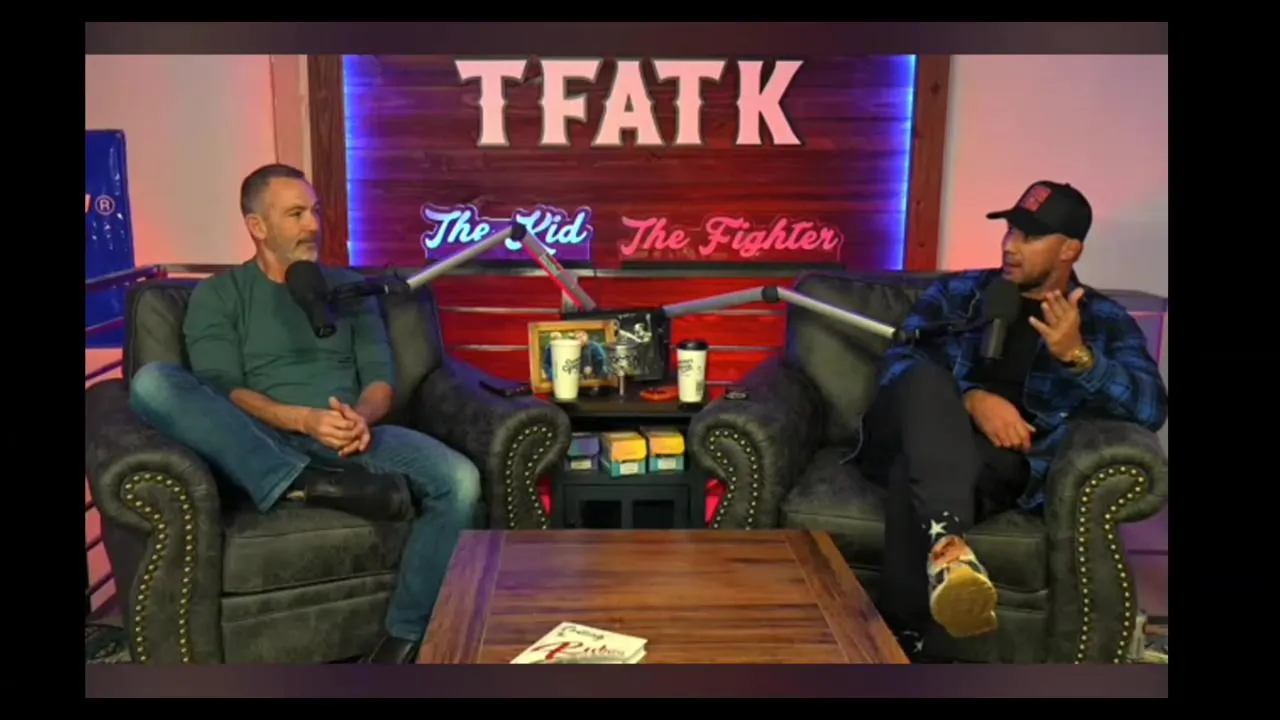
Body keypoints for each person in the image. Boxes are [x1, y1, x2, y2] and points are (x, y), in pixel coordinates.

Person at [127, 163, 481, 664]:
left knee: (460, 481)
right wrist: (301, 420)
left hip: (351, 436)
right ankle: (300, 480)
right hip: (255, 439)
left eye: (314, 211)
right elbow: (221, 388)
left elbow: (380, 379)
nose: (313, 225)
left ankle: (403, 640)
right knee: (152, 383)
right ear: (258, 226)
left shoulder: (350, 289)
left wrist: (360, 418)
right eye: (296, 214)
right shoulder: (220, 295)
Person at [856, 180, 1167, 658]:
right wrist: (972, 398)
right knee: (924, 377)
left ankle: (910, 638)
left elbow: (1151, 408)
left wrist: (1079, 357)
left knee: (912, 476)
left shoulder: (1102, 320)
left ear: (1069, 249)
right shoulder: (960, 292)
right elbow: (898, 360)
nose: (1010, 246)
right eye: (1010, 231)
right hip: (907, 427)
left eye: (1030, 236)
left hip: (997, 463)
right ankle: (946, 550)